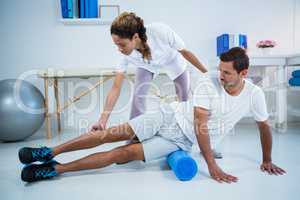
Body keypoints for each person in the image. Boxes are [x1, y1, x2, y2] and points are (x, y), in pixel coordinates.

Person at [18, 47, 285, 183]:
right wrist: (212, 166)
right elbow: (200, 124)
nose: (220, 74)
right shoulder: (208, 82)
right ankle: (48, 152)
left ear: (243, 74)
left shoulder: (254, 94)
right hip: (168, 117)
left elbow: (263, 127)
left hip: (181, 143)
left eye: (227, 72)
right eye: (220, 69)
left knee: (121, 155)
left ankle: (54, 171)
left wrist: (267, 159)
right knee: (110, 135)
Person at [90, 12, 207, 133]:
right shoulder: (124, 55)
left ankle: (186, 132)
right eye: (117, 45)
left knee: (184, 99)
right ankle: (135, 135)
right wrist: (102, 121)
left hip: (172, 60)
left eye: (122, 45)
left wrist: (205, 72)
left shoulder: (159, 31)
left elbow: (185, 52)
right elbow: (115, 88)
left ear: (135, 37)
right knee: (138, 96)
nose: (119, 49)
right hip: (146, 65)